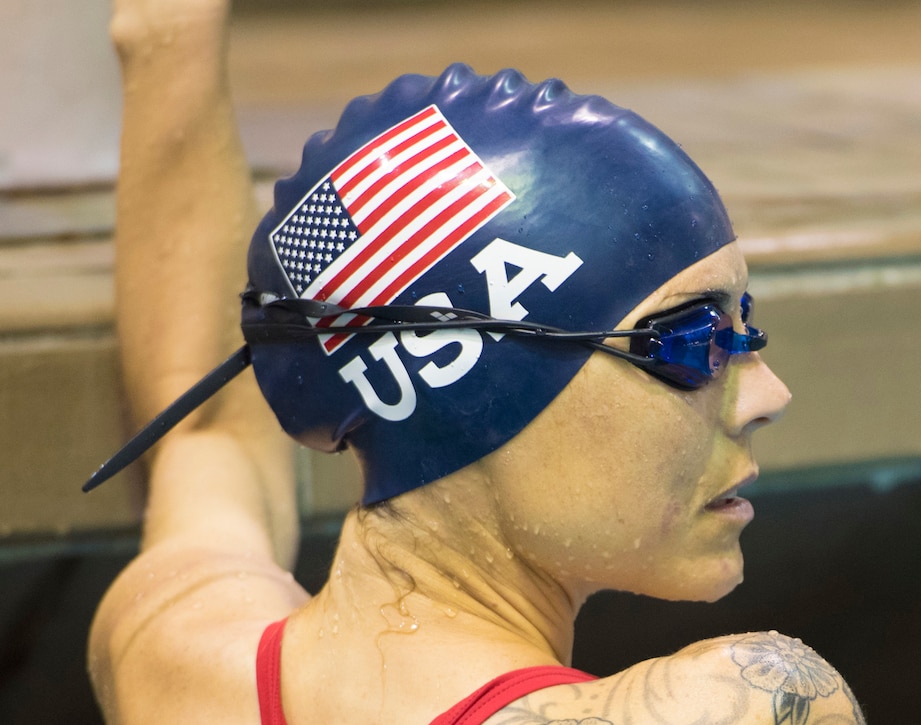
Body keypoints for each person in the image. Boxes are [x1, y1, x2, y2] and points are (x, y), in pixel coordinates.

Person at [89, 1, 865, 723]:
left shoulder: (167, 647)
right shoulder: (751, 701)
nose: (767, 393)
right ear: (473, 390)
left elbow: (207, 432)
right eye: (689, 342)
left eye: (744, 331)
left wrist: (173, 41)